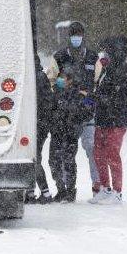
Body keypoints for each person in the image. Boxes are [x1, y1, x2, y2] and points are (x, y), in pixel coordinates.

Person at [50, 22, 101, 197]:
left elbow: (98, 85)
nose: (76, 37)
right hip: (66, 115)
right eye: (73, 34)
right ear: (69, 36)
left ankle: (98, 187)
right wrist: (63, 87)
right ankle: (66, 190)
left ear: (83, 35)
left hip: (86, 114)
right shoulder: (59, 56)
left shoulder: (93, 57)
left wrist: (86, 97)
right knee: (65, 154)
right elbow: (51, 81)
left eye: (79, 34)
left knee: (92, 149)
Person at [89, 35, 127, 205]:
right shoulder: (106, 69)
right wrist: (92, 99)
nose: (104, 55)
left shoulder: (122, 69)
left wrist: (98, 98)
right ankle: (105, 188)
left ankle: (117, 192)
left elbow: (116, 96)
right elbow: (100, 90)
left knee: (112, 154)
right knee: (98, 152)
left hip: (117, 119)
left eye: (107, 51)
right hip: (103, 118)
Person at [48, 67, 95, 203]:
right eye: (60, 77)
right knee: (53, 161)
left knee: (68, 161)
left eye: (64, 78)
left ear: (70, 80)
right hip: (57, 132)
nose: (61, 80)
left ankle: (70, 191)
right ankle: (60, 190)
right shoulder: (56, 92)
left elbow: (89, 110)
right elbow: (50, 109)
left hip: (70, 133)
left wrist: (76, 116)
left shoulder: (80, 93)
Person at [30, 53, 57, 203]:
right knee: (34, 158)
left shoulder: (36, 77)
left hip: (37, 124)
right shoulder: (40, 76)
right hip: (41, 124)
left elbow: (43, 103)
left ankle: (45, 193)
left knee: (34, 158)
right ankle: (35, 192)